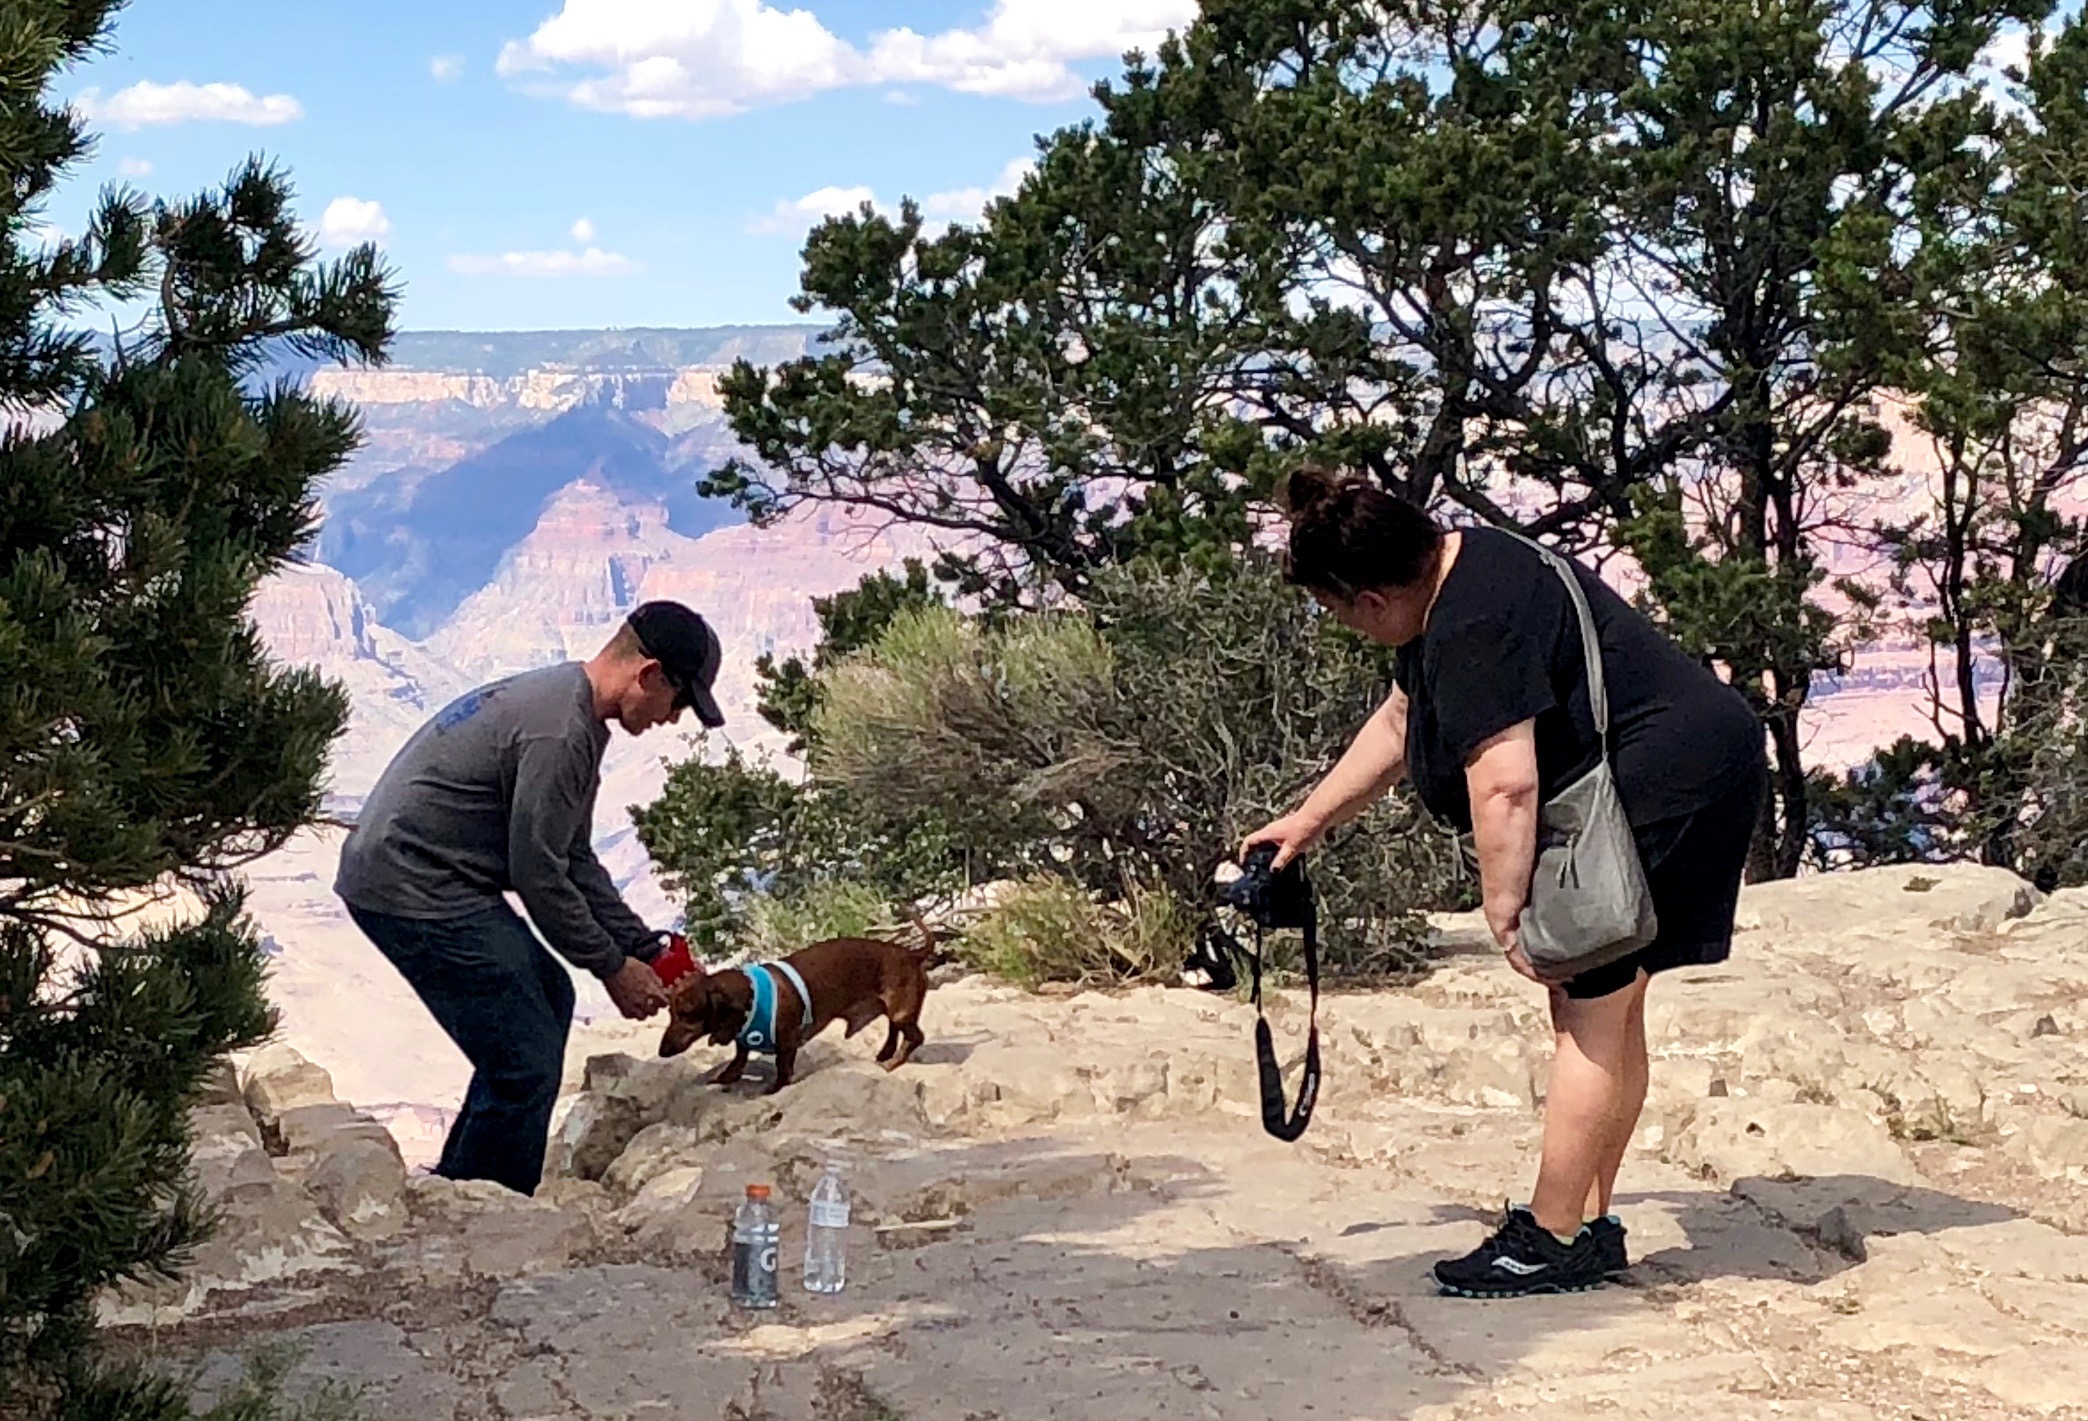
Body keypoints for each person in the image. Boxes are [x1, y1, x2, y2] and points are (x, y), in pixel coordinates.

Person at [1243, 468, 1768, 1297]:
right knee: (1609, 1001)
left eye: (1338, 611)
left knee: (1589, 1006)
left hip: (1670, 782)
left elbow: (1506, 785)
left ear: (1369, 598)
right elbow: (1403, 718)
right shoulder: (1462, 566)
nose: (1347, 627)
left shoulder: (1472, 626)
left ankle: (1551, 1235)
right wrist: (1308, 820)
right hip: (1692, 760)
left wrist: (1506, 908)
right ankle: (1586, 1221)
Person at [334, 601, 727, 1196]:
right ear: (649, 675)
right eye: (679, 702)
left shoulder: (573, 710)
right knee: (524, 1061)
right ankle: (489, 1212)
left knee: (546, 998)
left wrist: (644, 947)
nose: (673, 719)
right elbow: (538, 874)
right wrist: (613, 967)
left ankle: (459, 1189)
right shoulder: (561, 733)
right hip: (409, 882)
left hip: (429, 875)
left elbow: (572, 857)